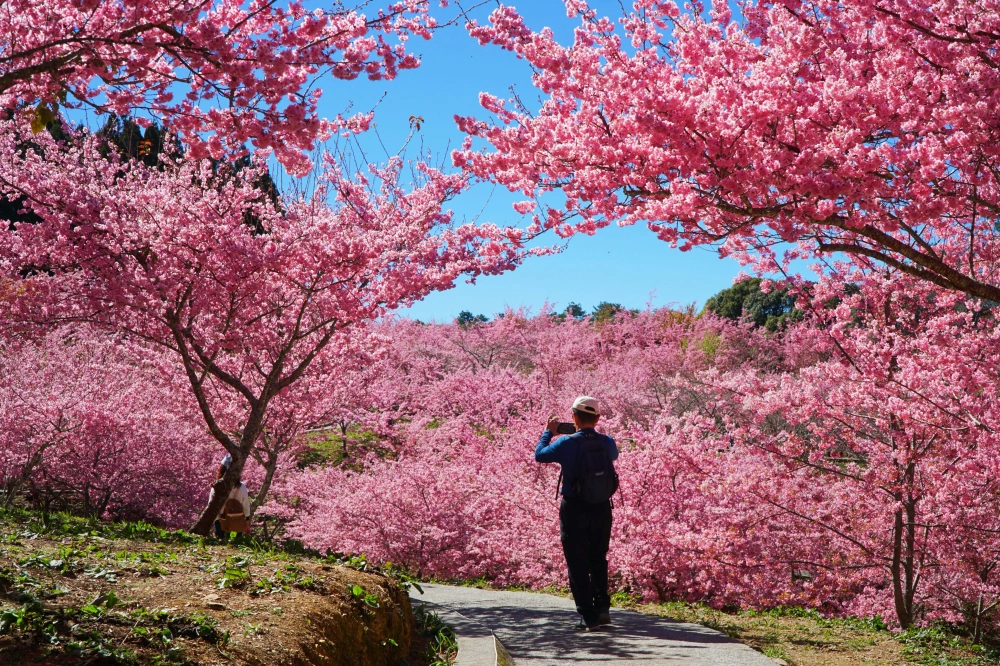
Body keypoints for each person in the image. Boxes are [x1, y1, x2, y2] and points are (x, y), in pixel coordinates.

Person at [535, 396, 619, 632]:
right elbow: (613, 456)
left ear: (574, 417)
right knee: (598, 557)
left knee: (577, 561)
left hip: (574, 507)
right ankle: (603, 608)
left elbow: (539, 455)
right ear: (598, 418)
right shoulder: (607, 442)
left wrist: (548, 433)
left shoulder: (566, 443)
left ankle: (588, 616)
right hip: (602, 507)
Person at [210, 454, 252, 538]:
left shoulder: (216, 487)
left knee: (221, 544)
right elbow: (246, 507)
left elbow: (211, 505)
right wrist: (247, 523)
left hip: (221, 521)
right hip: (238, 521)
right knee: (236, 545)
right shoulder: (241, 487)